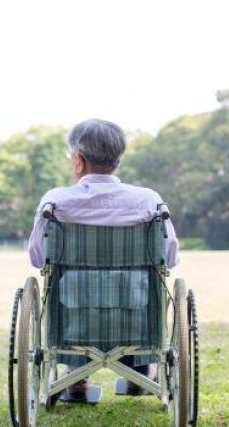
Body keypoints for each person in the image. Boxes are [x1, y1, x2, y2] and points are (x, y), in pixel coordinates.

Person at [27, 118, 180, 397]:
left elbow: (38, 258)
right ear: (117, 160)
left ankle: (75, 378)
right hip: (138, 313)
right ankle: (141, 374)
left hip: (73, 320)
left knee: (76, 292)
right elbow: (169, 258)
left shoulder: (56, 201)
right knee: (134, 291)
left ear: (79, 161)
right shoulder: (148, 200)